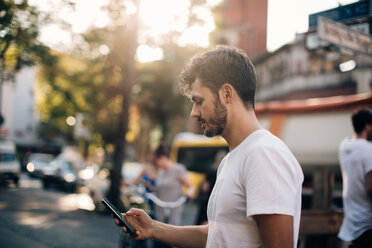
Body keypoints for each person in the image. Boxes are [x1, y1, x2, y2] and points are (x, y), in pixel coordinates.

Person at [115, 45, 304, 248]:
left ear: (226, 94)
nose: (193, 113)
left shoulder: (264, 154)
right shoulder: (232, 158)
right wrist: (153, 228)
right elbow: (217, 236)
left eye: (199, 101)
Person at [338, 108, 372, 248]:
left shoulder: (344, 146)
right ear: (367, 126)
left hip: (351, 221)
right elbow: (370, 188)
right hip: (367, 223)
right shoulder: (368, 149)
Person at [151, 143, 194, 226]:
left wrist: (190, 192)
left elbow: (190, 186)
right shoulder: (160, 172)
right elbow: (157, 189)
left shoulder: (178, 170)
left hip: (174, 207)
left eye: (156, 162)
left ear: (163, 158)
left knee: (173, 229)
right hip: (160, 208)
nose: (156, 165)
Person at [196, 150, 227, 225]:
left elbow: (205, 188)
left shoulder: (210, 171)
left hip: (208, 200)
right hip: (219, 200)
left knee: (203, 223)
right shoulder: (225, 172)